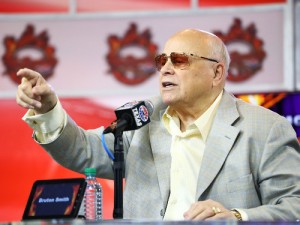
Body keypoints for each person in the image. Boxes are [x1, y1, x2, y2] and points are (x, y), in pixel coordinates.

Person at [16, 29, 300, 221]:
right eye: (162, 60)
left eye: (180, 60)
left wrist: (238, 216)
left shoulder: (265, 128)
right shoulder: (141, 122)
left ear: (217, 72)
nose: (166, 68)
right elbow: (84, 150)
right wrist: (49, 109)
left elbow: (294, 206)